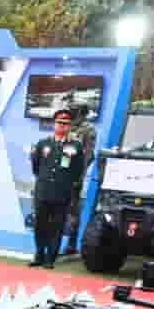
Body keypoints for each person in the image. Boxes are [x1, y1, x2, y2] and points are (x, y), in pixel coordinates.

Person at [29, 108, 85, 268]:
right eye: (59, 122)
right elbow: (36, 167)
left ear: (70, 126)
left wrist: (67, 184)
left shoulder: (76, 146)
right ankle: (39, 254)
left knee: (57, 226)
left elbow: (78, 170)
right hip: (43, 191)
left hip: (62, 192)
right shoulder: (43, 144)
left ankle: (50, 258)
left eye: (66, 123)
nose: (62, 125)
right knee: (40, 224)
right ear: (54, 124)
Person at [61, 102, 97, 254]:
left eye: (74, 111)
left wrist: (77, 176)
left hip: (75, 175)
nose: (71, 114)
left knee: (72, 210)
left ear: (82, 113)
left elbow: (87, 155)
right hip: (62, 173)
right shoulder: (68, 127)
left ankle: (71, 244)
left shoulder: (88, 130)